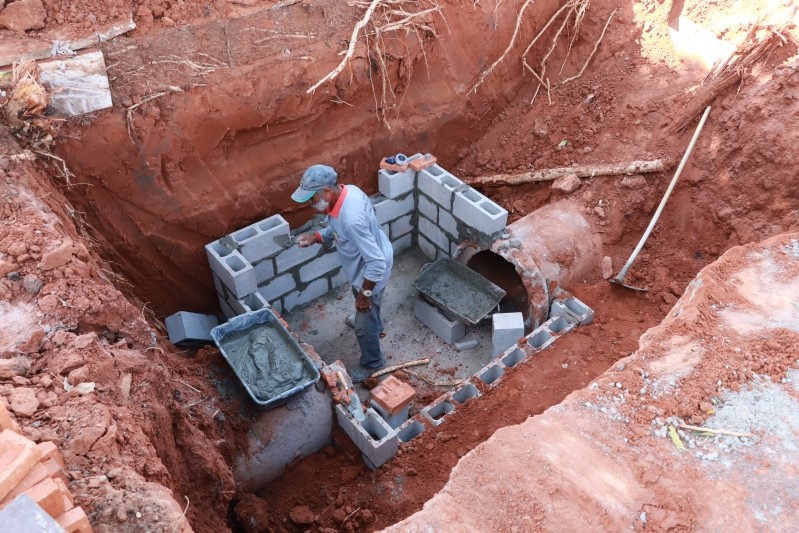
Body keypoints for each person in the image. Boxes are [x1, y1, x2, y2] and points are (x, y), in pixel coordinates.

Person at [292, 164, 394, 383]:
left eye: (312, 198)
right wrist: (317, 237)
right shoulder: (349, 192)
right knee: (366, 310)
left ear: (327, 192)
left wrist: (364, 296)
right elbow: (340, 228)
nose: (311, 205)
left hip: (372, 272)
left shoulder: (351, 217)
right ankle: (373, 323)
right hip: (369, 265)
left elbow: (375, 263)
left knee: (363, 322)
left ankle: (372, 362)